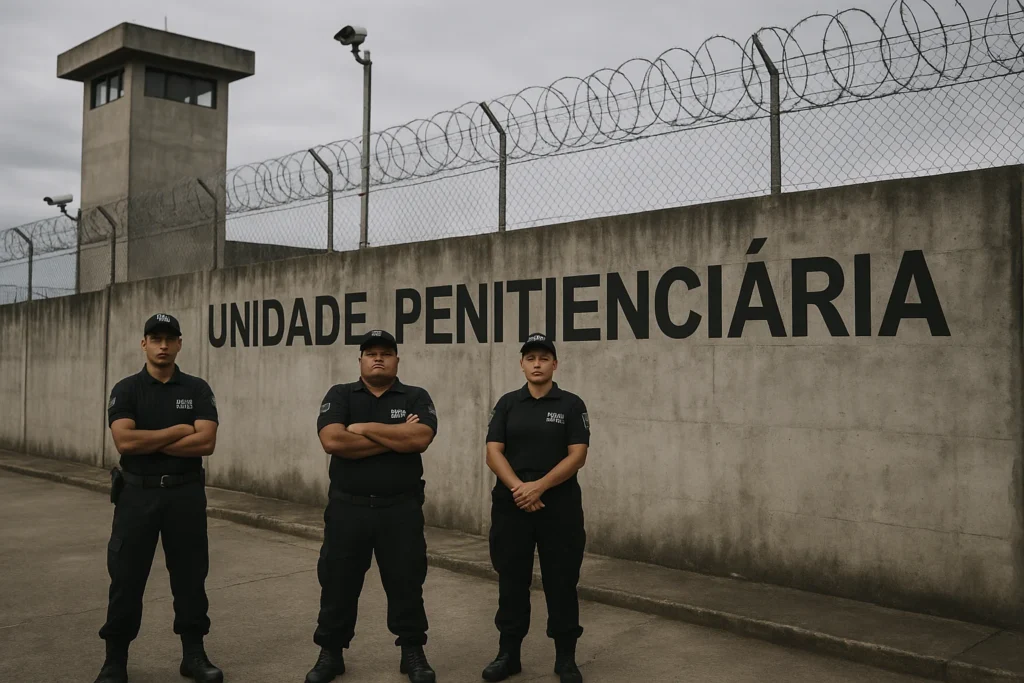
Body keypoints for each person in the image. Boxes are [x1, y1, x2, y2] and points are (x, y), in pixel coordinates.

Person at [93, 313, 222, 683]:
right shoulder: (127, 388)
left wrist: (152, 438)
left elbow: (207, 442)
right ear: (143, 343)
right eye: (155, 338)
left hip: (184, 496)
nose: (163, 345)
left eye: (170, 338)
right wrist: (180, 430)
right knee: (127, 578)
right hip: (137, 495)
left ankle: (194, 656)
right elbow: (125, 442)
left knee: (190, 576)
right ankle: (115, 660)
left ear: (179, 343)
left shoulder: (197, 389)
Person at [305, 329, 439, 683]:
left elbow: (421, 437)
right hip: (348, 509)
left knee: (406, 581)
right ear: (360, 360)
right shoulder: (340, 394)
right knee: (338, 582)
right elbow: (333, 440)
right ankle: (331, 653)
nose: (378, 358)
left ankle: (412, 651)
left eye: (386, 353)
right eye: (371, 353)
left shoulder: (415, 396)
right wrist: (397, 437)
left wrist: (362, 428)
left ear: (397, 359)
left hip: (401, 509)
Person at [482, 332, 591, 683]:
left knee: (562, 581)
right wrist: (519, 488)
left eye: (544, 358)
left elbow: (578, 456)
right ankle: (508, 655)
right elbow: (493, 450)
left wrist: (539, 486)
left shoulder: (571, 404)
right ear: (522, 364)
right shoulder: (508, 404)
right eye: (531, 358)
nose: (537, 364)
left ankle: (565, 659)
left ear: (554, 364)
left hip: (558, 506)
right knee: (512, 581)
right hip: (513, 505)